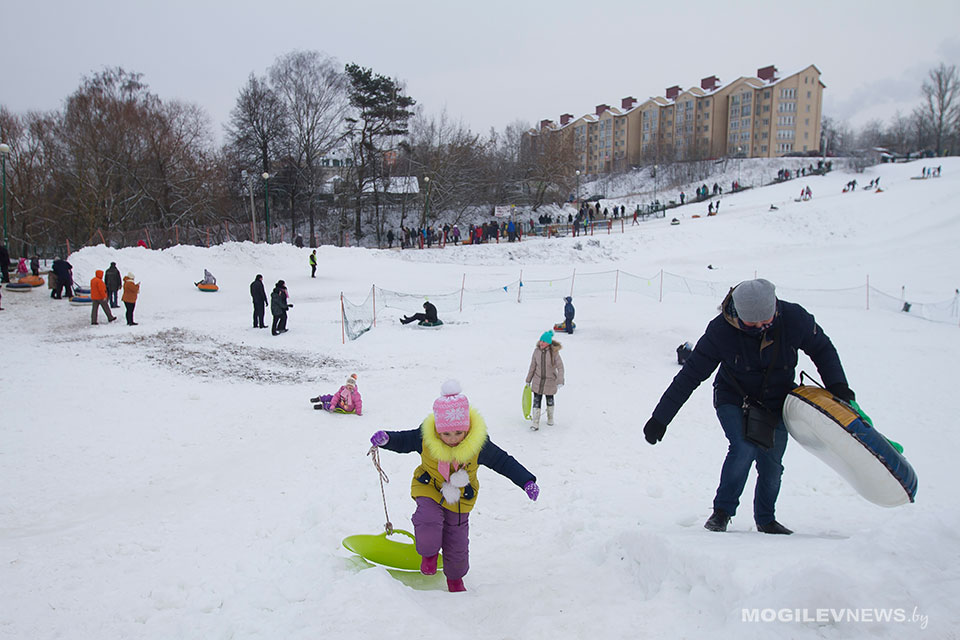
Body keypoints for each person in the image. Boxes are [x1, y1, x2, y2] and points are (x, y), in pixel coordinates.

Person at [642, 279, 854, 535]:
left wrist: (838, 386)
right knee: (743, 447)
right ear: (738, 316)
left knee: (772, 462)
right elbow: (690, 376)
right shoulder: (721, 331)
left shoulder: (794, 318)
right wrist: (660, 418)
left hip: (776, 401)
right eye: (753, 323)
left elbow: (822, 349)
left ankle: (766, 519)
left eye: (767, 320)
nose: (762, 326)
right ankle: (722, 513)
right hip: (733, 397)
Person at [368, 379, 539, 593]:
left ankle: (455, 579)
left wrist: (526, 481)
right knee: (428, 519)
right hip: (429, 487)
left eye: (459, 433)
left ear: (467, 428)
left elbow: (503, 462)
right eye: (446, 434)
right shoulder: (425, 437)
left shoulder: (479, 445)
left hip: (460, 497)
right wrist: (387, 440)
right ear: (437, 430)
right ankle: (429, 554)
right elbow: (404, 440)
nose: (452, 439)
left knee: (456, 541)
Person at [524, 330, 565, 430]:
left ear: (548, 343)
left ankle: (550, 417)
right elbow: (532, 366)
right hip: (538, 380)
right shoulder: (536, 352)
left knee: (549, 399)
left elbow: (560, 367)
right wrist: (528, 379)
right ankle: (535, 422)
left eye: (544, 341)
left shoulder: (554, 353)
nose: (541, 343)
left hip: (550, 381)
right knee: (536, 400)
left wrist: (560, 380)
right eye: (541, 340)